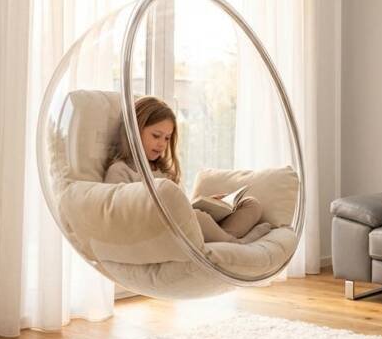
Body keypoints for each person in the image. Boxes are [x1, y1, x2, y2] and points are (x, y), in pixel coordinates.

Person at [104, 96, 270, 244]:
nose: (162, 144)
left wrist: (209, 203)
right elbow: (120, 215)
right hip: (161, 229)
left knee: (251, 204)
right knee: (198, 217)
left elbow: (180, 205)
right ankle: (234, 242)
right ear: (134, 132)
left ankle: (222, 239)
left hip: (187, 222)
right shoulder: (120, 171)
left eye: (167, 138)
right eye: (156, 135)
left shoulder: (164, 171)